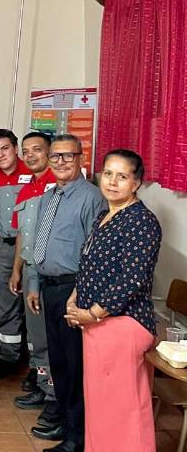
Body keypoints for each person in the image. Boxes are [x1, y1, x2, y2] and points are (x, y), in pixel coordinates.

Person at [64, 150, 160, 452]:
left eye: (122, 176)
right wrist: (75, 298)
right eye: (108, 173)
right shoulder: (104, 215)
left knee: (122, 409)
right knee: (101, 407)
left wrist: (92, 313)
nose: (113, 181)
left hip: (123, 324)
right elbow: (90, 264)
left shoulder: (141, 221)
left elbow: (132, 279)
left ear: (136, 183)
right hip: (99, 325)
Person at [26, 134, 106, 451]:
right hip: (49, 287)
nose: (60, 162)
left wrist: (81, 295)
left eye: (67, 156)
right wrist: (33, 282)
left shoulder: (91, 199)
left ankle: (77, 438)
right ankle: (64, 422)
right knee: (59, 363)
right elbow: (37, 245)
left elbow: (95, 254)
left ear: (80, 158)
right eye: (55, 156)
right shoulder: (49, 197)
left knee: (74, 366)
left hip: (74, 290)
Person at [8, 133, 60, 426]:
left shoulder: (60, 187)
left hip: (52, 272)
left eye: (36, 150)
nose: (30, 156)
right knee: (36, 334)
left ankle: (54, 396)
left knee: (51, 336)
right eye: (25, 151)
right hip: (30, 269)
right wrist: (17, 269)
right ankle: (42, 388)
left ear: (50, 152)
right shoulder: (27, 187)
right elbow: (22, 234)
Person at [0, 129, 33, 380]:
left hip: (33, 249)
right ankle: (8, 356)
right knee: (4, 302)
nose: (0, 155)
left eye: (5, 149)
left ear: (15, 149)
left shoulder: (33, 174)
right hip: (4, 247)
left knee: (35, 303)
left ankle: (37, 365)